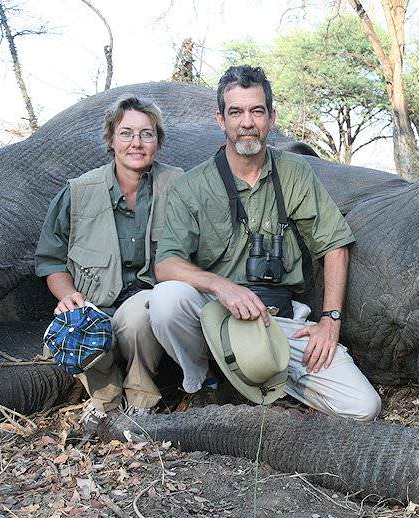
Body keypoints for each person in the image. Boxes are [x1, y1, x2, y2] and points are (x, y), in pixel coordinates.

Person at [149, 65, 381, 421]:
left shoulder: (295, 172)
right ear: (220, 120)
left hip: (277, 321)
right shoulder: (192, 185)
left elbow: (334, 244)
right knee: (167, 299)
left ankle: (266, 376)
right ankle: (205, 383)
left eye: (257, 111)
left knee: (363, 406)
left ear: (271, 117)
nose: (247, 122)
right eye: (236, 112)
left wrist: (330, 320)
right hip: (216, 316)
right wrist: (222, 286)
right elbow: (165, 264)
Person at [34, 95, 184, 430]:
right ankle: (105, 397)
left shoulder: (179, 186)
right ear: (111, 139)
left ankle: (142, 395)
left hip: (147, 303)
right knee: (76, 327)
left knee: (141, 315)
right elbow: (51, 261)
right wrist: (68, 297)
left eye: (146, 134)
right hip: (95, 305)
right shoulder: (77, 192)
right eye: (126, 133)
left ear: (158, 141)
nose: (136, 143)